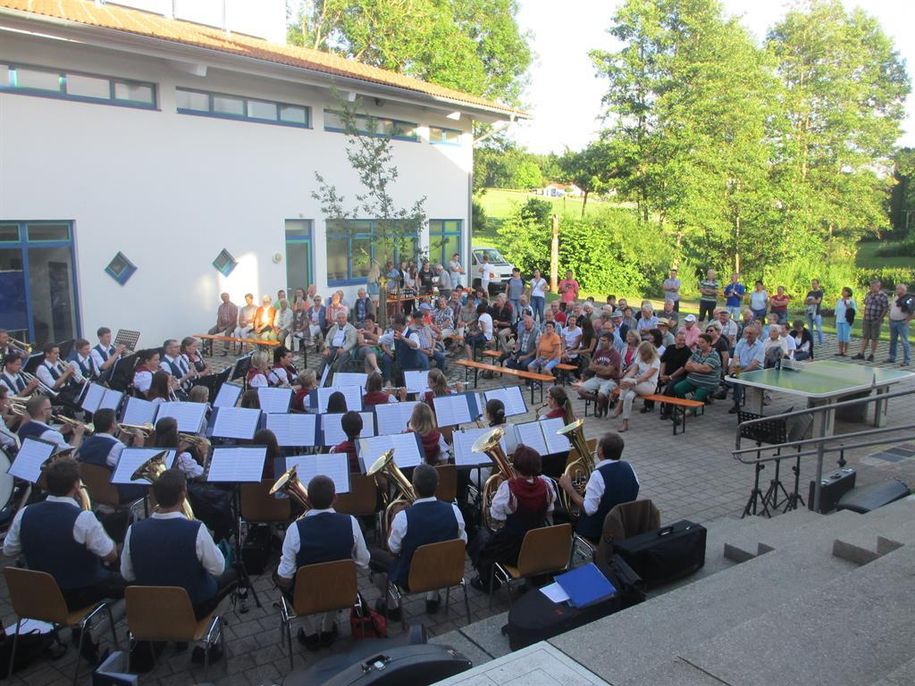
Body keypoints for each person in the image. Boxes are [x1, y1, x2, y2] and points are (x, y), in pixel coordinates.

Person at [4, 457, 123, 662]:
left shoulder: (25, 513)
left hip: (39, 595)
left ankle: (81, 627)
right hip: (76, 592)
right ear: (77, 485)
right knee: (135, 584)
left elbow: (9, 550)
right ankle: (92, 633)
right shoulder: (82, 518)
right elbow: (110, 555)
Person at [121, 469, 237, 632]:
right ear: (183, 496)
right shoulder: (196, 529)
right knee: (232, 574)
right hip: (193, 606)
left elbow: (127, 574)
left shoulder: (134, 530)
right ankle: (206, 644)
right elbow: (218, 568)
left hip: (150, 608)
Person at [277, 475, 369, 648]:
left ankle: (309, 633)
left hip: (307, 595)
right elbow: (364, 563)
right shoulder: (351, 522)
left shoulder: (294, 529)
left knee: (282, 575)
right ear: (335, 498)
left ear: (307, 499)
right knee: (337, 575)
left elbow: (285, 577)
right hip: (342, 591)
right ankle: (328, 628)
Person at [379, 464, 466, 616]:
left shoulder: (403, 518)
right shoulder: (454, 510)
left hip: (411, 579)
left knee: (374, 559)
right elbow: (462, 542)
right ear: (437, 485)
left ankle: (393, 608)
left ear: (413, 487)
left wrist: (393, 518)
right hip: (447, 571)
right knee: (438, 550)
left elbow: (393, 549)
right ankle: (432, 599)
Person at [470, 445, 555, 592]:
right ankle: (533, 579)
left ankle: (488, 581)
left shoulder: (507, 488)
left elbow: (496, 517)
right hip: (538, 544)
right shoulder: (547, 484)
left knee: (481, 538)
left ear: (516, 466)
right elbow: (549, 509)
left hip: (513, 549)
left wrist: (497, 492)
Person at [558, 432, 638, 543]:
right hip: (622, 523)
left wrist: (569, 489)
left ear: (600, 451)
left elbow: (589, 509)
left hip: (597, 531)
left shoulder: (598, 475)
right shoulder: (629, 467)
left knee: (562, 515)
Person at [76, 408, 147, 503]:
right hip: (117, 493)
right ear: (113, 425)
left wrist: (121, 439)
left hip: (94, 491)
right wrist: (139, 446)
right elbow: (135, 470)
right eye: (115, 421)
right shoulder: (117, 447)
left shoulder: (86, 442)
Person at [610, 341, 659, 432]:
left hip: (649, 386)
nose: (641, 356)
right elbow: (633, 370)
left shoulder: (656, 360)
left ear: (648, 353)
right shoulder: (640, 357)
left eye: (643, 354)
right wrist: (624, 379)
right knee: (628, 396)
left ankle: (619, 405)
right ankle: (625, 423)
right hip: (636, 384)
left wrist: (631, 382)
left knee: (627, 382)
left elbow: (646, 376)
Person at [18, 394, 84, 451]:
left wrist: (61, 431)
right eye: (50, 408)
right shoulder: (52, 435)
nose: (52, 410)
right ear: (43, 412)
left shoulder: (23, 427)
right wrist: (78, 435)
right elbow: (69, 456)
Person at [577, 332, 621, 418]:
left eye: (604, 341)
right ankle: (601, 402)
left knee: (601, 394)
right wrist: (602, 368)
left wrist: (597, 367)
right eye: (601, 340)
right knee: (580, 390)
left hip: (611, 380)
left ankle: (600, 407)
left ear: (610, 342)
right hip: (597, 377)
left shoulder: (615, 355)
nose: (601, 342)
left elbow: (609, 372)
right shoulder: (599, 352)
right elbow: (590, 366)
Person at [671, 333, 721, 405]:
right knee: (677, 388)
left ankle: (686, 413)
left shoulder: (714, 355)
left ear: (709, 343)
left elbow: (706, 369)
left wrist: (693, 366)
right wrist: (700, 366)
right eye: (699, 342)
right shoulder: (697, 352)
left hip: (706, 383)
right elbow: (687, 366)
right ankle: (684, 406)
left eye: (702, 342)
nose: (700, 344)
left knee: (695, 399)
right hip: (692, 380)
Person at [726, 325, 764, 413]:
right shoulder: (742, 341)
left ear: (756, 334)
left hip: (755, 370)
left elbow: (753, 364)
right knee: (733, 373)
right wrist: (732, 368)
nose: (747, 335)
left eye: (750, 333)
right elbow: (736, 357)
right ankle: (728, 385)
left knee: (738, 379)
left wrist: (740, 373)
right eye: (746, 333)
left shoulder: (760, 346)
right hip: (742, 367)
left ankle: (736, 403)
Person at [852, 280, 890, 362]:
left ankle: (872, 354)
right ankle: (861, 353)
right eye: (870, 286)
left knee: (874, 338)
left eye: (872, 286)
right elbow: (866, 304)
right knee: (865, 336)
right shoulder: (869, 294)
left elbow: (886, 308)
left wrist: (880, 319)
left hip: (876, 319)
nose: (871, 288)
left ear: (878, 287)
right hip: (866, 319)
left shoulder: (883, 296)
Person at [657, 330, 692, 419]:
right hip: (666, 374)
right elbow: (663, 361)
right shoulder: (670, 348)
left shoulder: (687, 351)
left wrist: (670, 377)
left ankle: (668, 411)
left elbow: (683, 368)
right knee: (653, 380)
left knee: (671, 386)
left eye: (684, 340)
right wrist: (661, 375)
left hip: (681, 376)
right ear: (675, 339)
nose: (682, 342)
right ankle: (648, 405)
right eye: (680, 340)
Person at [320, 310, 358, 377]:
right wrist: (327, 348)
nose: (341, 319)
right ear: (336, 319)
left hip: (345, 350)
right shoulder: (333, 328)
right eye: (339, 318)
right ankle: (322, 376)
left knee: (343, 356)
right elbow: (327, 338)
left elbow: (352, 342)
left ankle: (338, 376)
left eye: (343, 318)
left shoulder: (352, 329)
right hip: (332, 348)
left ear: (346, 318)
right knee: (325, 354)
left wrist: (343, 348)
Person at [886, 283, 913, 367]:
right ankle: (892, 357)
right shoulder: (896, 298)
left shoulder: (908, 299)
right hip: (893, 321)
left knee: (904, 341)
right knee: (893, 340)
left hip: (901, 323)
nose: (896, 290)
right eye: (896, 288)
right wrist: (890, 317)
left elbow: (913, 312)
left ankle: (907, 360)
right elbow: (892, 308)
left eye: (898, 289)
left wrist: (907, 320)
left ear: (903, 290)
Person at [834, 287, 857, 357]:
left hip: (846, 321)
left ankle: (845, 351)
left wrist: (848, 306)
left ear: (848, 293)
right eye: (842, 291)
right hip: (839, 320)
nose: (843, 292)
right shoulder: (839, 301)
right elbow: (836, 311)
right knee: (840, 336)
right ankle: (840, 351)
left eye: (844, 291)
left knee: (846, 336)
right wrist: (834, 321)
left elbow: (854, 311)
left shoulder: (851, 301)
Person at [804, 279, 825, 346]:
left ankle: (821, 342)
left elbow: (818, 301)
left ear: (818, 284)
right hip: (809, 312)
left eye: (815, 283)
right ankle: (811, 342)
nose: (813, 285)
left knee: (818, 329)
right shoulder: (810, 292)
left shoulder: (820, 292)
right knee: (810, 329)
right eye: (812, 283)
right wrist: (812, 301)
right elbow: (805, 302)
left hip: (817, 312)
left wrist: (810, 301)